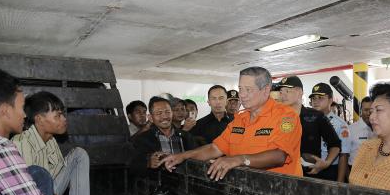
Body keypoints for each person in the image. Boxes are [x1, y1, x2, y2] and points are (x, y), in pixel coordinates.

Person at [162, 67, 303, 180]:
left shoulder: (286, 116)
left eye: (248, 89)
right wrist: (183, 156)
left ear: (266, 90)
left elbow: (279, 156)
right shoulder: (240, 119)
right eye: (240, 89)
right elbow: (215, 148)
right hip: (245, 192)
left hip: (281, 194)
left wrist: (240, 160)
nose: (242, 95)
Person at [12, 91, 103, 195]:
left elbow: (53, 183)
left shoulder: (51, 140)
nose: (64, 119)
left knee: (79, 154)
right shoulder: (23, 143)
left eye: (63, 114)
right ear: (40, 119)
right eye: (58, 116)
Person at [278, 76, 341, 179]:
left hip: (309, 175)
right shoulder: (276, 118)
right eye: (281, 92)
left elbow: (335, 143)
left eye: (287, 91)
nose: (283, 95)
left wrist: (326, 163)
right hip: (283, 174)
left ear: (299, 92)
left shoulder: (316, 116)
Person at [130, 96, 197, 176]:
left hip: (185, 184)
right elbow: (133, 166)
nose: (164, 117)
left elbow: (196, 158)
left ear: (172, 114)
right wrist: (148, 162)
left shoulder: (186, 137)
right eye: (159, 113)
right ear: (151, 118)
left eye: (167, 112)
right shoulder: (142, 139)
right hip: (157, 186)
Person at [310, 83, 350, 182]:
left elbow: (343, 156)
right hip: (309, 168)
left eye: (320, 98)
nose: (316, 101)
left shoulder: (340, 125)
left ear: (330, 100)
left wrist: (339, 182)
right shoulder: (307, 120)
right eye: (313, 98)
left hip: (329, 170)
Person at [348, 96, 375, 172]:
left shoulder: (380, 130)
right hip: (354, 170)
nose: (369, 113)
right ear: (361, 111)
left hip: (374, 171)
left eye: (371, 110)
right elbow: (344, 156)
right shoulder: (351, 129)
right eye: (366, 110)